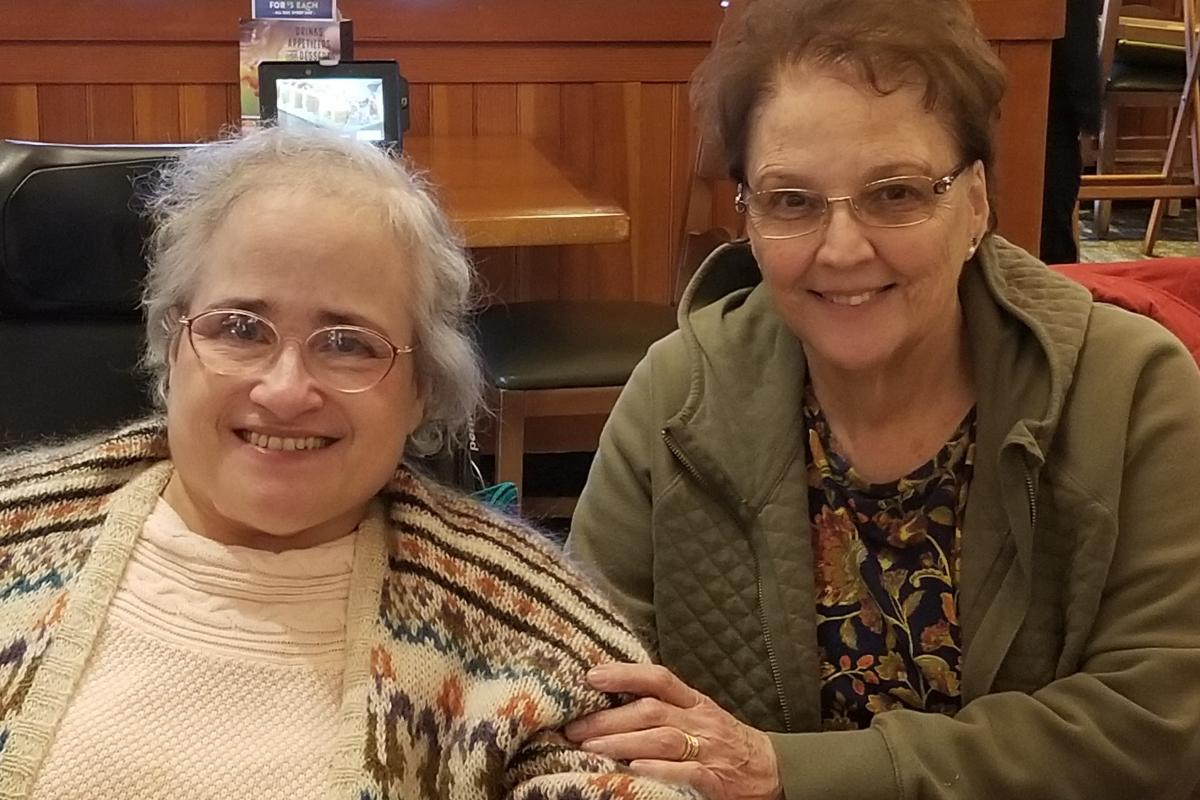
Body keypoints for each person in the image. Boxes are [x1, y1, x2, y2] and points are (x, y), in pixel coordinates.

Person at [564, 0, 1200, 797]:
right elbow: (581, 696)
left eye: (895, 194)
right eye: (791, 201)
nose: (842, 249)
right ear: (750, 221)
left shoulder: (1133, 390)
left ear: (974, 203)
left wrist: (788, 771)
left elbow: (1165, 724)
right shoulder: (672, 397)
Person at [0, 127, 697, 800]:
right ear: (172, 343)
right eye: (240, 328)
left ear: (422, 387)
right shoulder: (14, 532)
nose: (283, 390)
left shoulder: (525, 622)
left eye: (347, 344)